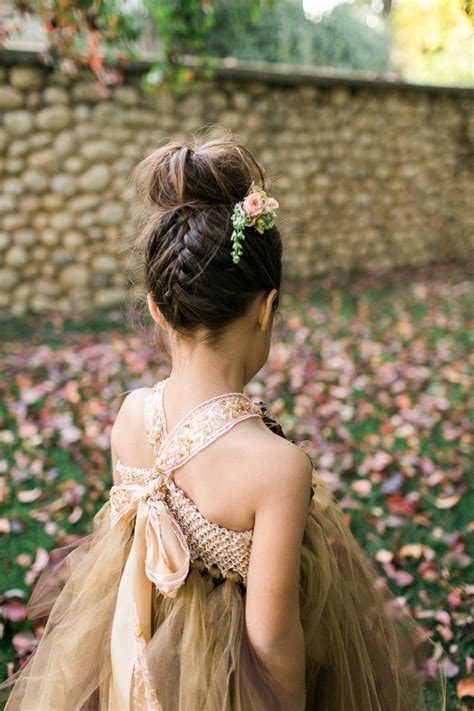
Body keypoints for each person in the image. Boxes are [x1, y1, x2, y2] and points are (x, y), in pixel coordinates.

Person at [1, 132, 445, 710]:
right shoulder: (277, 466)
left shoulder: (132, 415)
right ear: (266, 308)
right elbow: (269, 635)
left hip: (132, 660)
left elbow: (124, 556)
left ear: (158, 309)